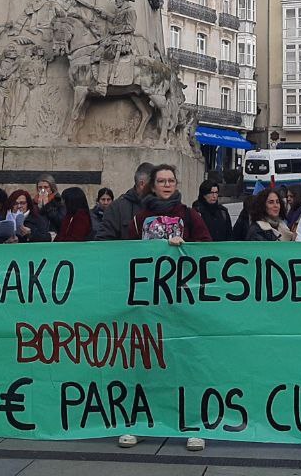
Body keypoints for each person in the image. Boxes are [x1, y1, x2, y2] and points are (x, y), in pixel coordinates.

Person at [118, 164, 211, 452]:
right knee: (147, 364)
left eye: (171, 180)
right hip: (149, 302)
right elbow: (126, 254)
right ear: (152, 186)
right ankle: (143, 422)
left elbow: (206, 247)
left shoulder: (190, 215)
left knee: (186, 364)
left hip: (182, 301)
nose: (167, 185)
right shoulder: (139, 219)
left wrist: (186, 248)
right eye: (162, 181)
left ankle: (193, 424)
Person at [94, 162, 154, 240]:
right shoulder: (116, 208)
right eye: (155, 183)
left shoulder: (162, 205)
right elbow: (103, 241)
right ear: (142, 184)